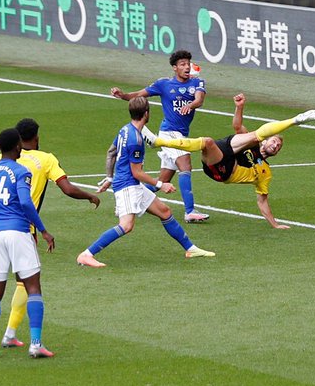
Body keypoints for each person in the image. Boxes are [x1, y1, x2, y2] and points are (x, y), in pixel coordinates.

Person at [0, 118, 101, 347]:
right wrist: (89, 196)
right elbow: (67, 189)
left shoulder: (2, 159)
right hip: (23, 229)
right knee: (25, 283)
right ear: (35, 137)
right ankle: (10, 333)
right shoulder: (45, 159)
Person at [147, 94, 315, 229]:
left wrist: (275, 224)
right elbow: (238, 126)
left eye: (278, 146)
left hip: (223, 171)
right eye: (274, 141)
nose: (275, 145)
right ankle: (295, 120)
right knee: (218, 141)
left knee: (214, 141)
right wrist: (239, 107)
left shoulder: (265, 172)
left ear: (276, 153)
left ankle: (159, 142)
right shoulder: (254, 143)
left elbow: (262, 201)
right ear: (266, 142)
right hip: (223, 152)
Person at [75, 97, 215, 267]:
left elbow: (111, 152)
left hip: (131, 184)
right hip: (127, 186)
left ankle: (191, 249)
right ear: (146, 113)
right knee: (126, 226)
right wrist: (161, 184)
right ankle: (87, 254)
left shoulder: (125, 130)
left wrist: (109, 177)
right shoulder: (136, 140)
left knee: (164, 211)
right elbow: (137, 172)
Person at [0, 127, 56, 359]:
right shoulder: (21, 171)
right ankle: (36, 344)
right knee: (33, 287)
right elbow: (25, 203)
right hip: (18, 232)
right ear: (17, 146)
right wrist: (43, 230)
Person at [109, 50, 209, 223]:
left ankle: (125, 201)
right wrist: (123, 95)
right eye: (182, 64)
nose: (187, 67)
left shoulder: (197, 82)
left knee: (163, 180)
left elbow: (199, 100)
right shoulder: (164, 84)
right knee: (185, 164)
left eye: (188, 63)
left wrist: (191, 105)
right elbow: (139, 95)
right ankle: (190, 211)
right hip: (169, 132)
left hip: (181, 133)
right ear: (175, 67)